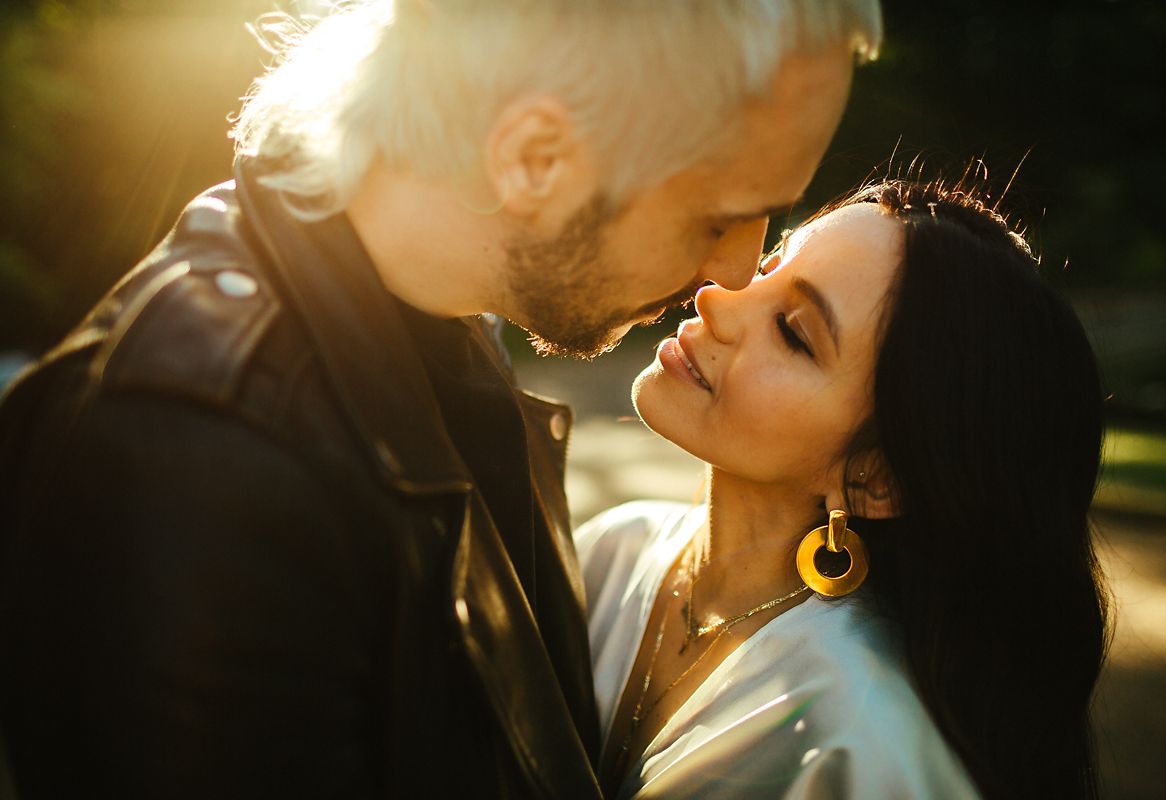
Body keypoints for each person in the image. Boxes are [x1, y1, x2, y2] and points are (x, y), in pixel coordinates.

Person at [0, 1, 884, 798]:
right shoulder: (205, 465)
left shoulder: (438, 331)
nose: (735, 272)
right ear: (534, 160)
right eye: (718, 216)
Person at [578, 179, 1110, 799]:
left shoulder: (859, 746)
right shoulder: (606, 552)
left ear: (874, 479)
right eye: (768, 264)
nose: (717, 299)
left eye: (793, 332)